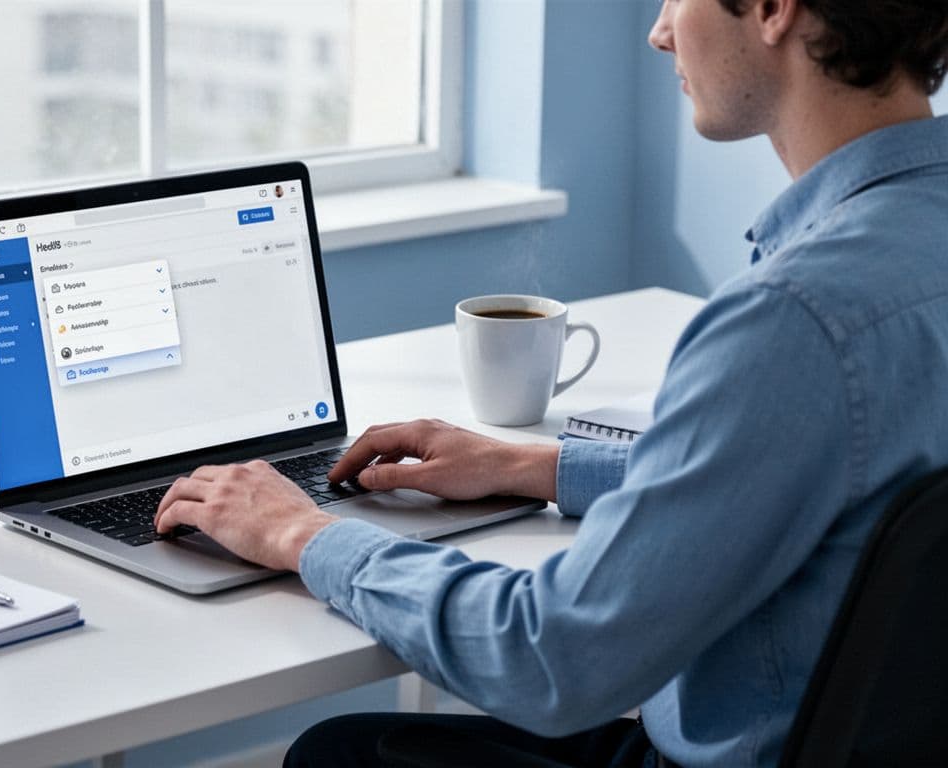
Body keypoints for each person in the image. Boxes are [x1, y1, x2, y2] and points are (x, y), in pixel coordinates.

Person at [154, 0, 948, 765]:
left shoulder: (790, 320)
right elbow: (807, 474)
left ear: (774, 8)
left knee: (339, 754)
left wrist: (303, 534)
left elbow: (551, 659)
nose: (659, 31)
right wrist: (533, 466)